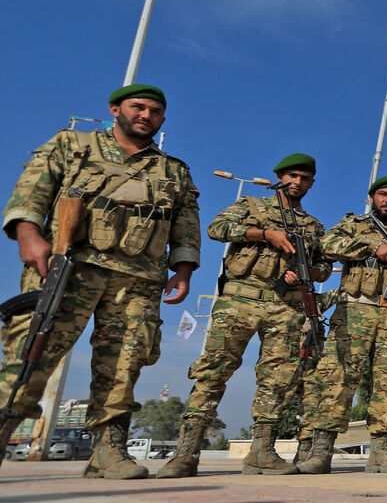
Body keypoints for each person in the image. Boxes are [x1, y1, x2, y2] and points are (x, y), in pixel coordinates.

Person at [0, 84, 200, 479]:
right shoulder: (73, 144)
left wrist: (184, 269)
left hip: (139, 277)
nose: (146, 115)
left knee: (124, 365)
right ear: (115, 109)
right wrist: (28, 234)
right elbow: (32, 191)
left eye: (155, 111)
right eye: (138, 107)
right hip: (69, 266)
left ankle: (108, 451)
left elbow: (185, 224)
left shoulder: (173, 170)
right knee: (34, 350)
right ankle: (5, 426)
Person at [161, 153, 328, 477]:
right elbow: (216, 228)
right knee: (213, 372)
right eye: (292, 175)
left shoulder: (313, 226)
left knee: (278, 380)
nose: (297, 182)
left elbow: (322, 266)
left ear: (311, 184)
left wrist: (309, 274)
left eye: (305, 178)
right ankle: (186, 453)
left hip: (285, 306)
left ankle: (262, 452)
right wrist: (265, 235)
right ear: (279, 176)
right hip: (240, 299)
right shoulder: (251, 206)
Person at [292, 175, 387, 475]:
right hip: (355, 311)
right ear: (371, 198)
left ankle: (381, 452)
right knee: (337, 380)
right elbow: (327, 245)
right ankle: (321, 451)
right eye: (383, 194)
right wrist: (371, 246)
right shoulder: (353, 225)